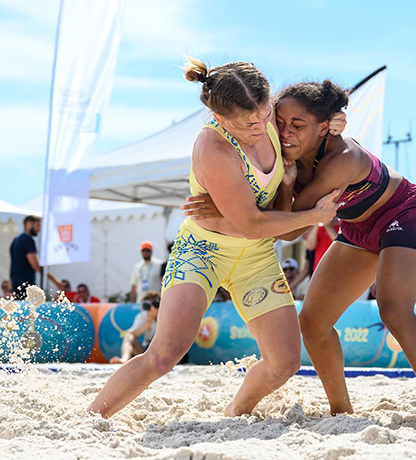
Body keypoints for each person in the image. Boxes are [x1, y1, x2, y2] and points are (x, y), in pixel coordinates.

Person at [188, 79, 416, 426]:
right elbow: (282, 212)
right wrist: (237, 198)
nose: (285, 131)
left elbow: (293, 228)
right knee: (313, 323)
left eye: (298, 125)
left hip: (405, 214)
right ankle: (341, 411)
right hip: (358, 227)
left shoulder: (341, 158)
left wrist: (232, 209)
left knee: (395, 310)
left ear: (323, 128)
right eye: (280, 121)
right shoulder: (276, 136)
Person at [87, 58, 343, 419]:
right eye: (248, 122)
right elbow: (254, 223)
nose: (261, 125)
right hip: (203, 251)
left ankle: (235, 411)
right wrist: (314, 217)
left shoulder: (269, 114)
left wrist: (333, 122)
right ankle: (90, 418)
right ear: (220, 119)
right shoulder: (213, 147)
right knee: (164, 354)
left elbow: (316, 115)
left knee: (285, 363)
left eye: (264, 113)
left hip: (254, 257)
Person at [9, 215, 63, 299]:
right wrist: (55, 281)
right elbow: (35, 265)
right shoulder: (28, 240)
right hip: (26, 283)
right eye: (38, 225)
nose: (39, 229)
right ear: (29, 224)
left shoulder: (15, 240)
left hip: (16, 282)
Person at [109, 293, 160, 364]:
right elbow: (133, 334)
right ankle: (124, 359)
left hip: (160, 350)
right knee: (129, 337)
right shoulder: (142, 316)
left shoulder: (166, 316)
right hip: (146, 350)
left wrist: (157, 317)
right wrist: (148, 322)